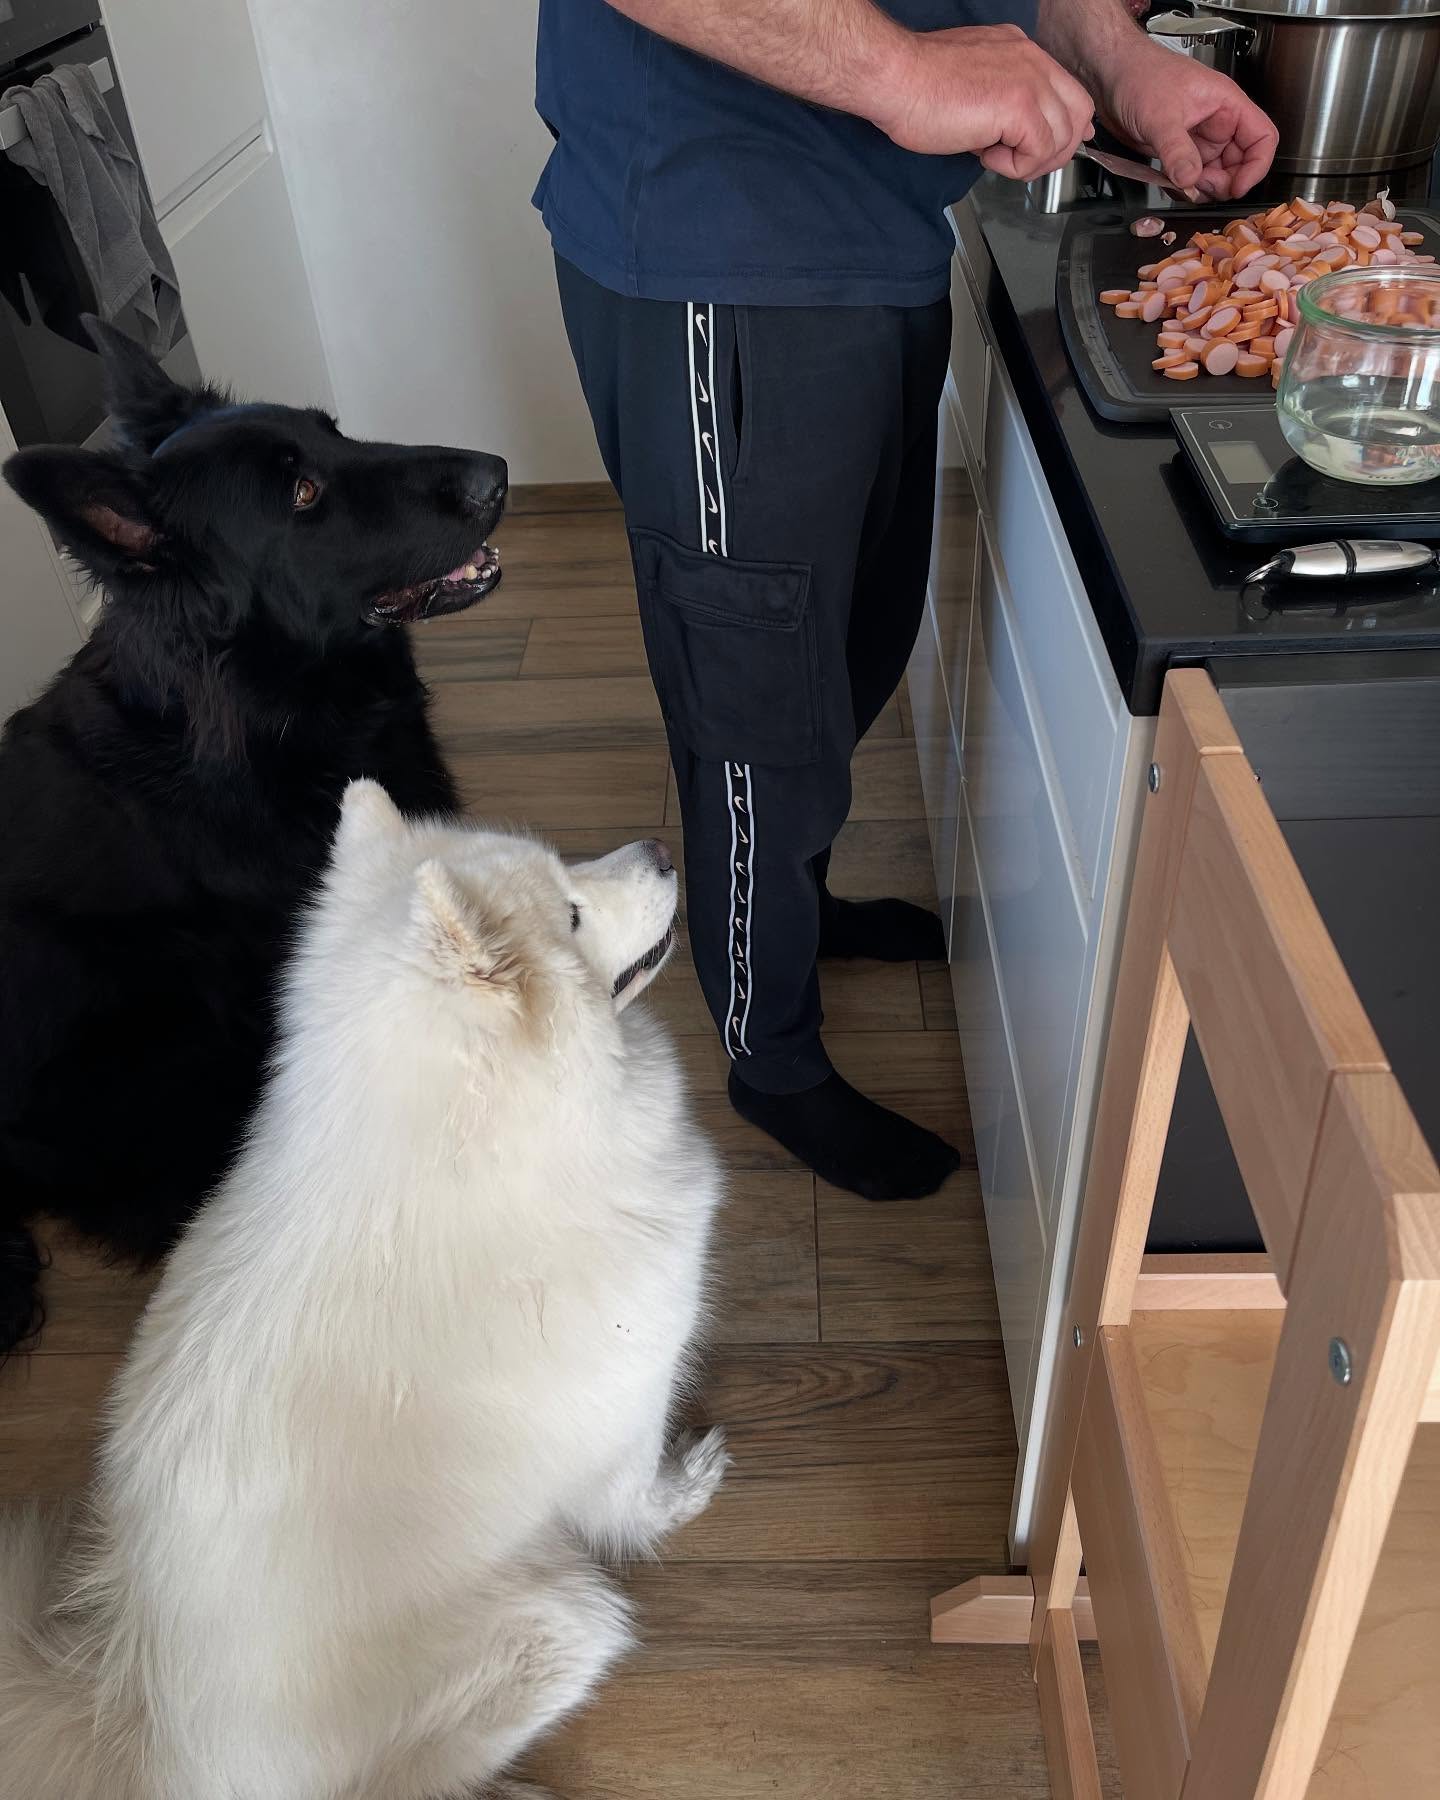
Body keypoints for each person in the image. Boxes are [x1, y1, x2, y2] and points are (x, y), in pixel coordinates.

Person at [533, 0, 1276, 1201]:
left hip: (878, 222)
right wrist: (899, 69)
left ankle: (798, 909)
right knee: (754, 709)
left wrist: (1123, 59)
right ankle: (766, 1054)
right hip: (722, 238)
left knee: (851, 648)